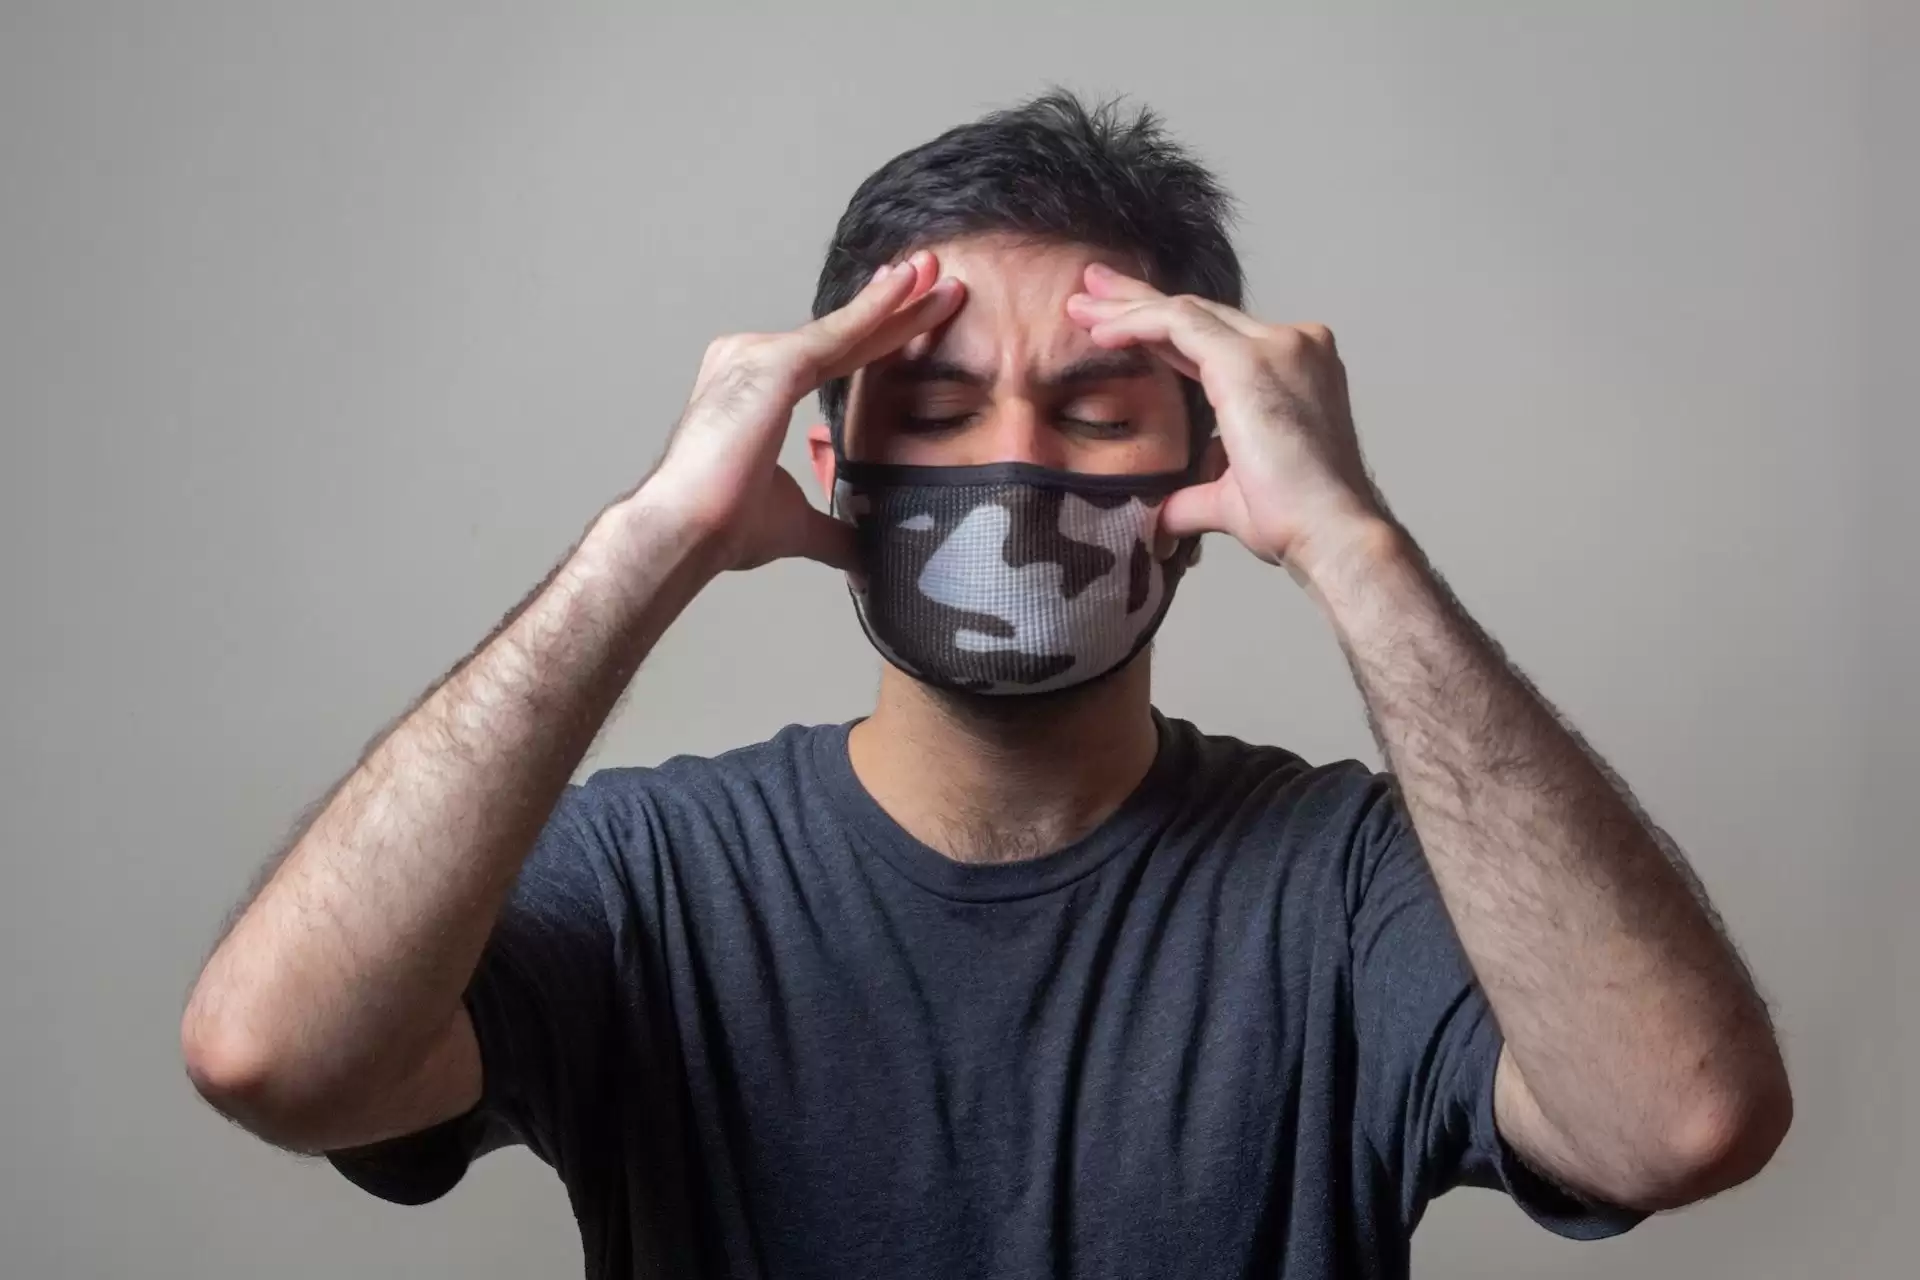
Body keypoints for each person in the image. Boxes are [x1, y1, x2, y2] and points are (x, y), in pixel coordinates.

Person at [181, 92, 1791, 1279]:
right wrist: (650, 538)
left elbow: (1678, 1121)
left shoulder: (1348, 885)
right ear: (831, 465)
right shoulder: (653, 876)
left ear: (1208, 472)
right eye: (940, 409)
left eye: (1095, 409)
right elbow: (274, 1059)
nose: (1016, 463)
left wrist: (1357, 546)